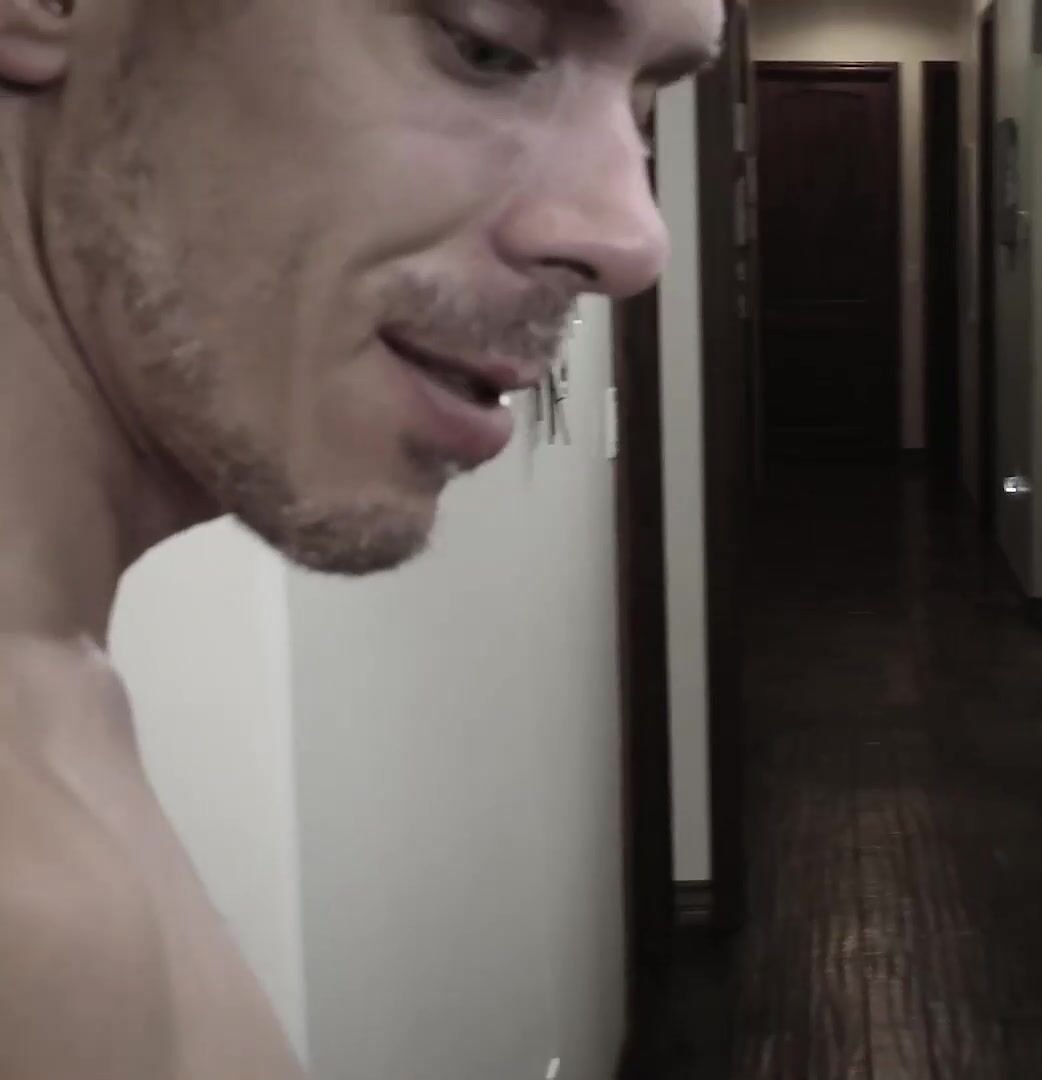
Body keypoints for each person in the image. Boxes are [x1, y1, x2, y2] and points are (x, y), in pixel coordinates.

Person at [0, 0, 722, 1075]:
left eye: (645, 108)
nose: (633, 236)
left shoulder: (54, 700)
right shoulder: (35, 925)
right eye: (488, 46)